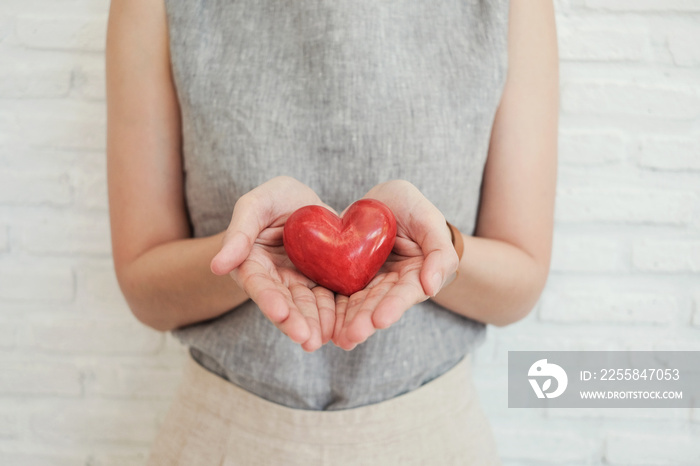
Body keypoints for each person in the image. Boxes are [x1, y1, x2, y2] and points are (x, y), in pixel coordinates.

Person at [106, 0, 558, 464]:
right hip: (222, 440)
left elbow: (520, 283)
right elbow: (145, 289)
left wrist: (438, 246)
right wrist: (243, 253)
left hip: (433, 439)